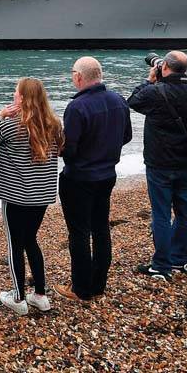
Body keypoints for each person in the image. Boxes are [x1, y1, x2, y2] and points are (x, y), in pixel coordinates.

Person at [127, 51, 187, 282]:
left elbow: (133, 101)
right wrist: (175, 77)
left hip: (160, 163)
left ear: (163, 67)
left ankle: (161, 265)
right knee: (185, 211)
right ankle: (179, 258)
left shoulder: (155, 93)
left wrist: (150, 79)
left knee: (161, 213)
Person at [55, 57, 132, 303]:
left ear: (79, 77)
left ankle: (81, 288)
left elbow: (71, 150)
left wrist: (60, 146)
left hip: (79, 177)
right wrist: (104, 149)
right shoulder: (119, 101)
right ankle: (98, 284)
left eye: (72, 74)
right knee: (100, 229)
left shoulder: (77, 107)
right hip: (107, 174)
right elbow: (127, 136)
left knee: (78, 233)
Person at [0, 78, 64, 315]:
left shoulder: (10, 125)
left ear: (21, 98)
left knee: (15, 245)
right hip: (41, 195)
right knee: (31, 240)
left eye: (15, 92)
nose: (13, 95)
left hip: (15, 196)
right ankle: (40, 294)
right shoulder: (54, 125)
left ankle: (18, 297)